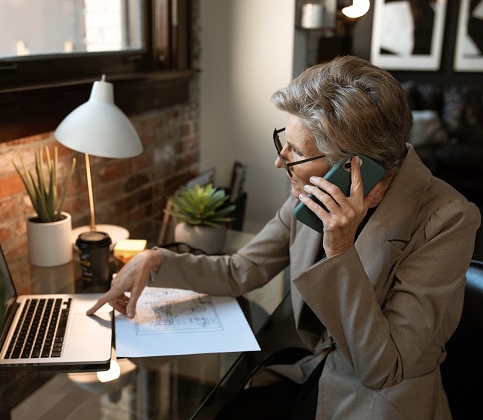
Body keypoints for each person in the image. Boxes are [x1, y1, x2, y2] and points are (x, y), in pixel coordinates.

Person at [87, 55, 481, 419]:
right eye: (283, 141)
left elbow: (383, 368)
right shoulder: (314, 188)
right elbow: (243, 269)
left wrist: (339, 248)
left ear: (351, 168)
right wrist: (155, 260)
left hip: (380, 402)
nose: (280, 161)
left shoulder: (448, 219)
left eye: (294, 152)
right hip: (313, 372)